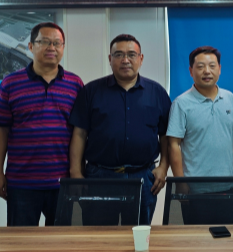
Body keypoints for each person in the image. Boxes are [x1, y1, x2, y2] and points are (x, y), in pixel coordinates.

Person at [69, 34, 171, 225]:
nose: (125, 60)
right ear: (110, 59)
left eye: (131, 54)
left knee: (138, 236)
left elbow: (166, 136)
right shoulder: (91, 91)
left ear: (141, 58)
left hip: (143, 177)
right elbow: (80, 134)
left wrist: (163, 167)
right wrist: (75, 173)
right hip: (100, 178)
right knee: (99, 236)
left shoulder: (157, 93)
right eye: (119, 54)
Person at [0, 22, 83, 226]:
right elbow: (1, 131)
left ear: (63, 47)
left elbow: (80, 133)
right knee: (21, 242)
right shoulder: (10, 83)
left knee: (60, 242)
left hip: (62, 182)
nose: (52, 48)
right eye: (45, 42)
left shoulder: (75, 84)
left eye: (57, 43)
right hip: (21, 182)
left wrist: (77, 174)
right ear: (31, 46)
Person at [168, 46, 233, 224]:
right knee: (196, 237)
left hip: (226, 185)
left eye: (212, 66)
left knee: (225, 234)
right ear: (191, 71)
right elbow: (173, 144)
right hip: (195, 188)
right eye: (200, 66)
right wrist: (180, 181)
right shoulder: (181, 103)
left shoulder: (229, 98)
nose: (207, 71)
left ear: (220, 69)